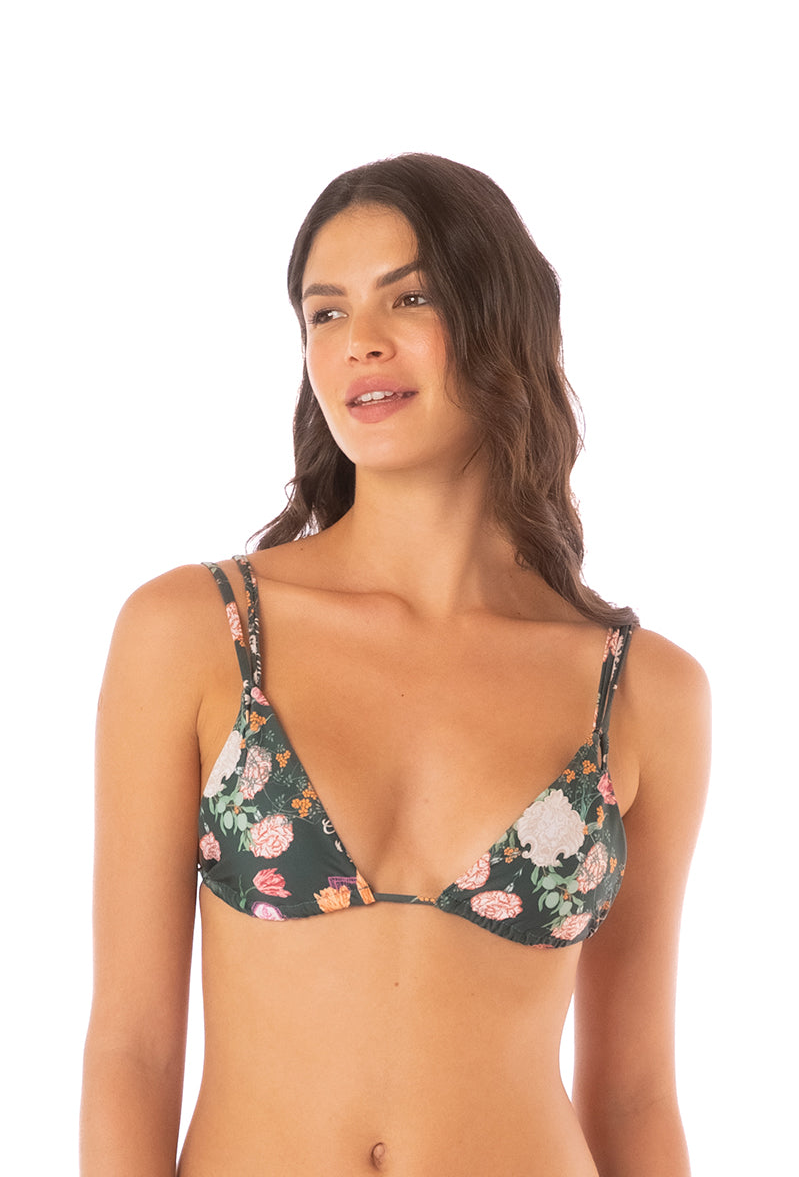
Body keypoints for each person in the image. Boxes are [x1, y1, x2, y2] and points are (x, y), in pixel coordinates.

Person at [80, 153, 710, 1176]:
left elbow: (634, 1092)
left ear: (504, 321)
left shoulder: (642, 691)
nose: (359, 340)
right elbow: (132, 1048)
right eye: (325, 313)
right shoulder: (198, 632)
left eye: (408, 297)